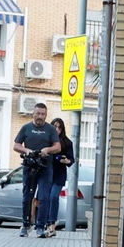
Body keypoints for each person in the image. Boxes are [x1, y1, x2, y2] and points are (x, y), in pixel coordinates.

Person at [12, 100, 60, 238]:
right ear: (33, 113)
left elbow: (58, 147)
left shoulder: (50, 129)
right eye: (37, 113)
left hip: (45, 167)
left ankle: (41, 226)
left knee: (44, 197)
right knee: (27, 196)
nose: (40, 116)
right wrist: (27, 151)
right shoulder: (26, 128)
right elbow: (16, 145)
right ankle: (26, 225)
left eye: (43, 114)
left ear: (46, 115)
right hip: (29, 166)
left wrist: (48, 150)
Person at [42, 116, 75, 238]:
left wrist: (67, 161)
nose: (57, 129)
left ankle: (52, 223)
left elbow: (72, 159)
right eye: (55, 126)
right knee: (44, 198)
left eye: (59, 127)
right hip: (47, 173)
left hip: (59, 174)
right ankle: (43, 222)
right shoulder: (47, 140)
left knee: (53, 196)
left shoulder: (67, 142)